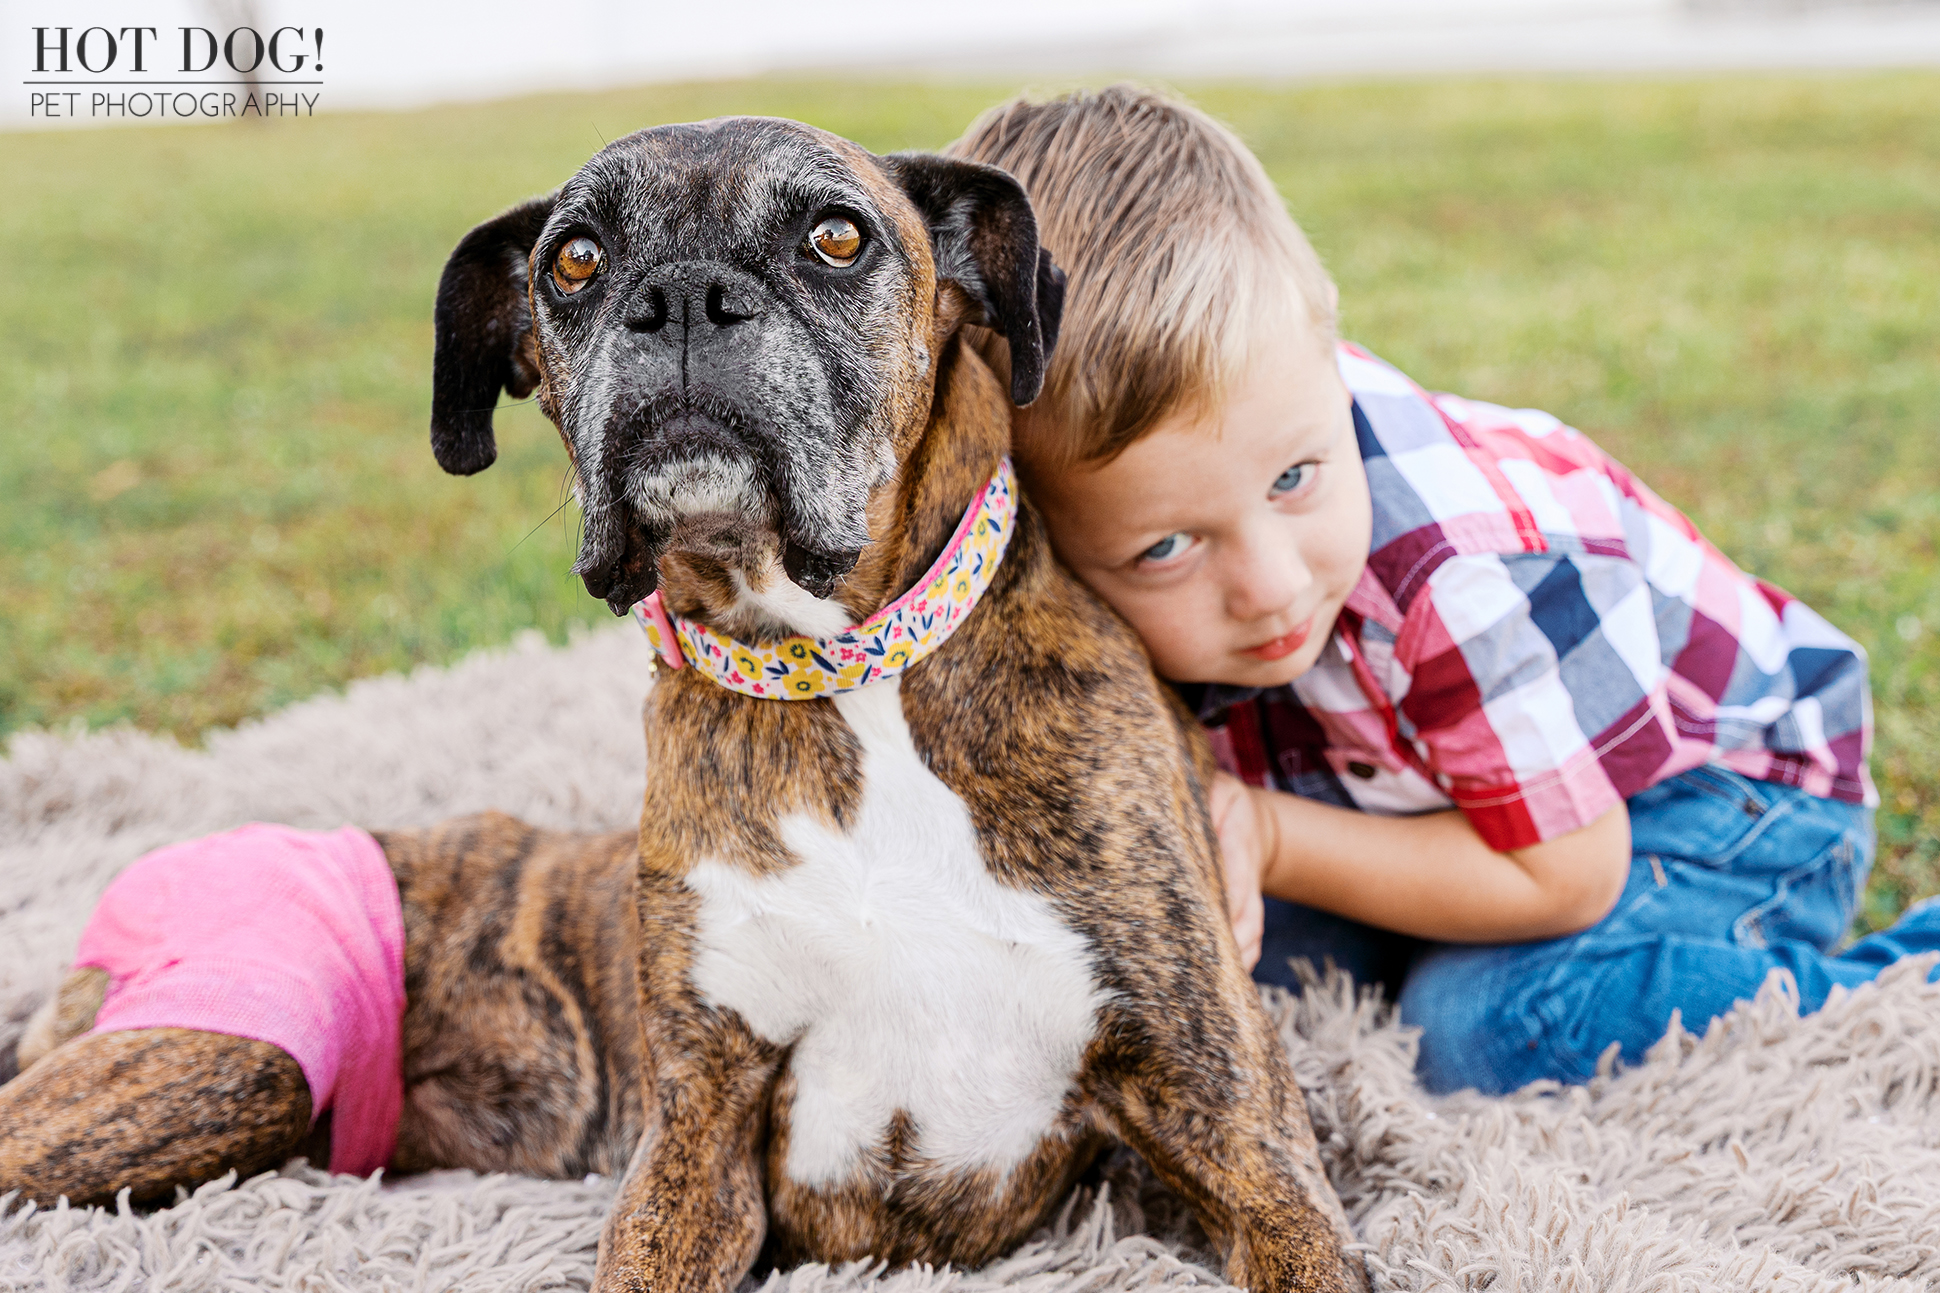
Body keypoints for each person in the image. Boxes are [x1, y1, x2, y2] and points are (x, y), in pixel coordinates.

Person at [946, 85, 1940, 1095]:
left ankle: (1895, 987)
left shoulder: (1459, 575)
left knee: (1492, 1027)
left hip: (1713, 798)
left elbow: (1561, 877)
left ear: (1326, 350)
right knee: (1232, 982)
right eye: (1166, 548)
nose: (1270, 586)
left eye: (1295, 479)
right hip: (1421, 791)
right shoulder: (1191, 465)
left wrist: (1272, 836)